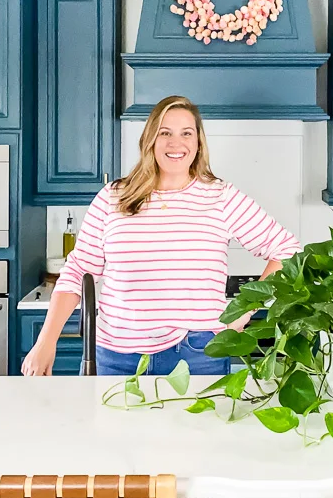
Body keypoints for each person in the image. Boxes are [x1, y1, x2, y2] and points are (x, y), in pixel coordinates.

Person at [21, 95, 301, 377]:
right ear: (150, 140)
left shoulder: (220, 197)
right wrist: (46, 341)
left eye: (186, 134)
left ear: (198, 143)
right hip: (117, 356)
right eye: (164, 133)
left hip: (198, 353)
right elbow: (78, 270)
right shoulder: (113, 197)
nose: (175, 143)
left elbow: (287, 250)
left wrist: (245, 308)